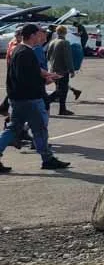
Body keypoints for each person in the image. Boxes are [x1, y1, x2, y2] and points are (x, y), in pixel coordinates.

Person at [0, 24, 70, 172]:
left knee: (14, 128)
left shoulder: (21, 50)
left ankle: (47, 158)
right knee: (40, 129)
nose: (42, 36)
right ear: (32, 36)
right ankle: (47, 159)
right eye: (39, 34)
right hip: (29, 99)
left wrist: (46, 74)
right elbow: (26, 78)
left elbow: (32, 70)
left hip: (19, 98)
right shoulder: (26, 53)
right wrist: (46, 81)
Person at [45, 25, 75, 116]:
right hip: (62, 70)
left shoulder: (52, 42)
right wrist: (71, 70)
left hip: (53, 69)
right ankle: (46, 102)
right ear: (65, 32)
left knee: (60, 89)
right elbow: (68, 58)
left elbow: (48, 56)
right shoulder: (65, 43)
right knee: (62, 90)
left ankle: (62, 109)